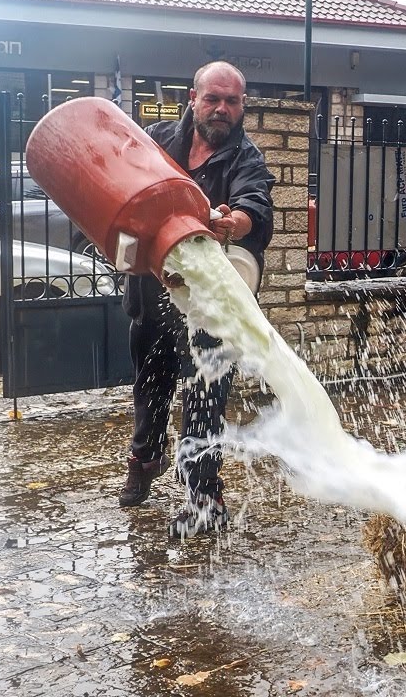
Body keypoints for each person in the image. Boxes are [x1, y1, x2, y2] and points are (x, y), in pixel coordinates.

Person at [119, 61, 274, 537]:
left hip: (210, 305)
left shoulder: (246, 157)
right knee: (151, 388)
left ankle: (204, 495)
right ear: (193, 98)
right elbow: (124, 182)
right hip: (153, 289)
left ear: (242, 105)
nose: (222, 108)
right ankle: (146, 458)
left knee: (206, 398)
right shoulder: (158, 138)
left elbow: (255, 205)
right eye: (213, 98)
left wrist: (234, 223)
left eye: (232, 101)